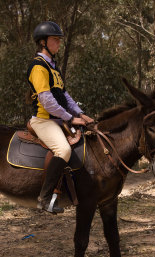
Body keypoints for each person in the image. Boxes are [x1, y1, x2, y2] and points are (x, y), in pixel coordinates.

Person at [27, 21, 94, 214]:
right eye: (55, 39)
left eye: (58, 40)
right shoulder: (38, 67)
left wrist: (80, 114)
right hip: (43, 121)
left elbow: (65, 96)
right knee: (63, 150)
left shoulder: (54, 69)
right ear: (43, 42)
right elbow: (47, 101)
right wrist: (70, 119)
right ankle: (45, 198)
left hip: (58, 119)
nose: (58, 43)